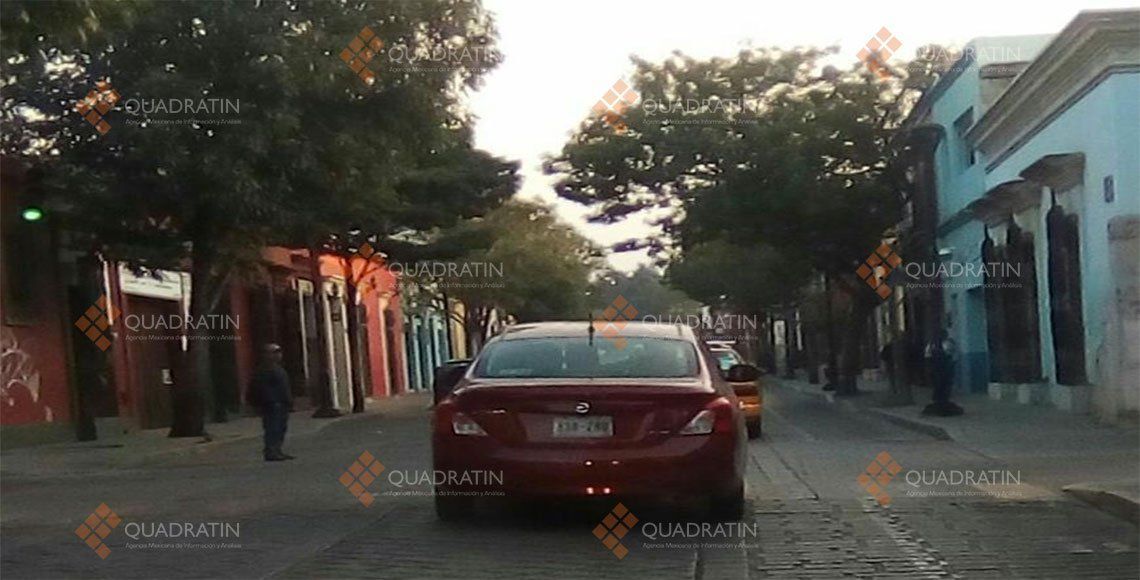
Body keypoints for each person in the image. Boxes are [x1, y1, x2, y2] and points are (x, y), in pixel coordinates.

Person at [247, 343, 294, 461]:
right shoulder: (265, 370)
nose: (279, 355)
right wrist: (271, 401)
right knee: (273, 428)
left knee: (281, 428)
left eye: (279, 352)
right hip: (273, 404)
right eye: (275, 352)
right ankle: (271, 451)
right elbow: (261, 388)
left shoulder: (278, 368)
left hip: (281, 403)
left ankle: (277, 450)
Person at [923, 329, 964, 416]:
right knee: (940, 386)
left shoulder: (943, 344)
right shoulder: (934, 344)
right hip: (938, 368)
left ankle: (942, 402)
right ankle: (940, 404)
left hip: (943, 368)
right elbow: (928, 357)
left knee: (944, 386)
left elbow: (953, 355)